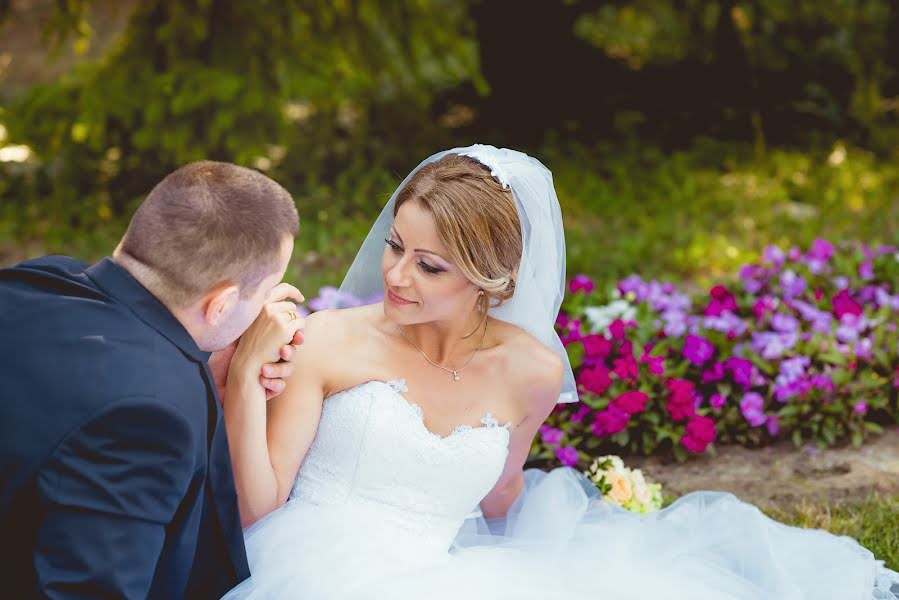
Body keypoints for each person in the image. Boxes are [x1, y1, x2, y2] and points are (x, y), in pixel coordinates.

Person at [222, 145, 899, 599]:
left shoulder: (532, 371)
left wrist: (600, 531)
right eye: (396, 246)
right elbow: (260, 507)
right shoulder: (330, 342)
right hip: (310, 571)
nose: (395, 274)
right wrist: (244, 382)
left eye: (429, 265)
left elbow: (500, 489)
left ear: (491, 278)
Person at [0, 161, 306, 599]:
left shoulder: (35, 282)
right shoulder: (151, 416)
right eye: (264, 290)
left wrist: (212, 372)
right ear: (220, 303)